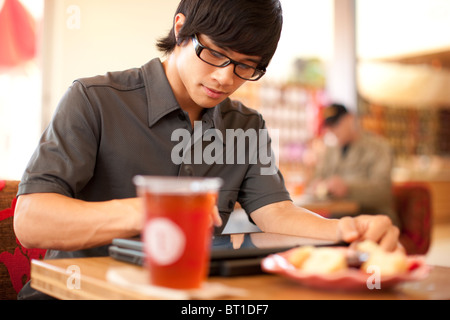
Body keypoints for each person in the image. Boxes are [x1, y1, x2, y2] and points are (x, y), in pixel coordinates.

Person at [14, 0, 400, 299]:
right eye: (215, 53)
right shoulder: (94, 100)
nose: (225, 78)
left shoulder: (245, 125)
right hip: (77, 293)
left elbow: (275, 211)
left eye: (246, 67)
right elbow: (31, 221)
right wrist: (150, 211)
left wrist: (345, 231)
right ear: (181, 27)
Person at [310, 103, 400, 227]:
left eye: (336, 124)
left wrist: (348, 188)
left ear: (350, 119)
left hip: (373, 221)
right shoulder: (330, 152)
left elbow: (383, 192)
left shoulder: (378, 148)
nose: (333, 131)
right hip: (339, 222)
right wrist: (316, 186)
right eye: (329, 127)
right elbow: (315, 181)